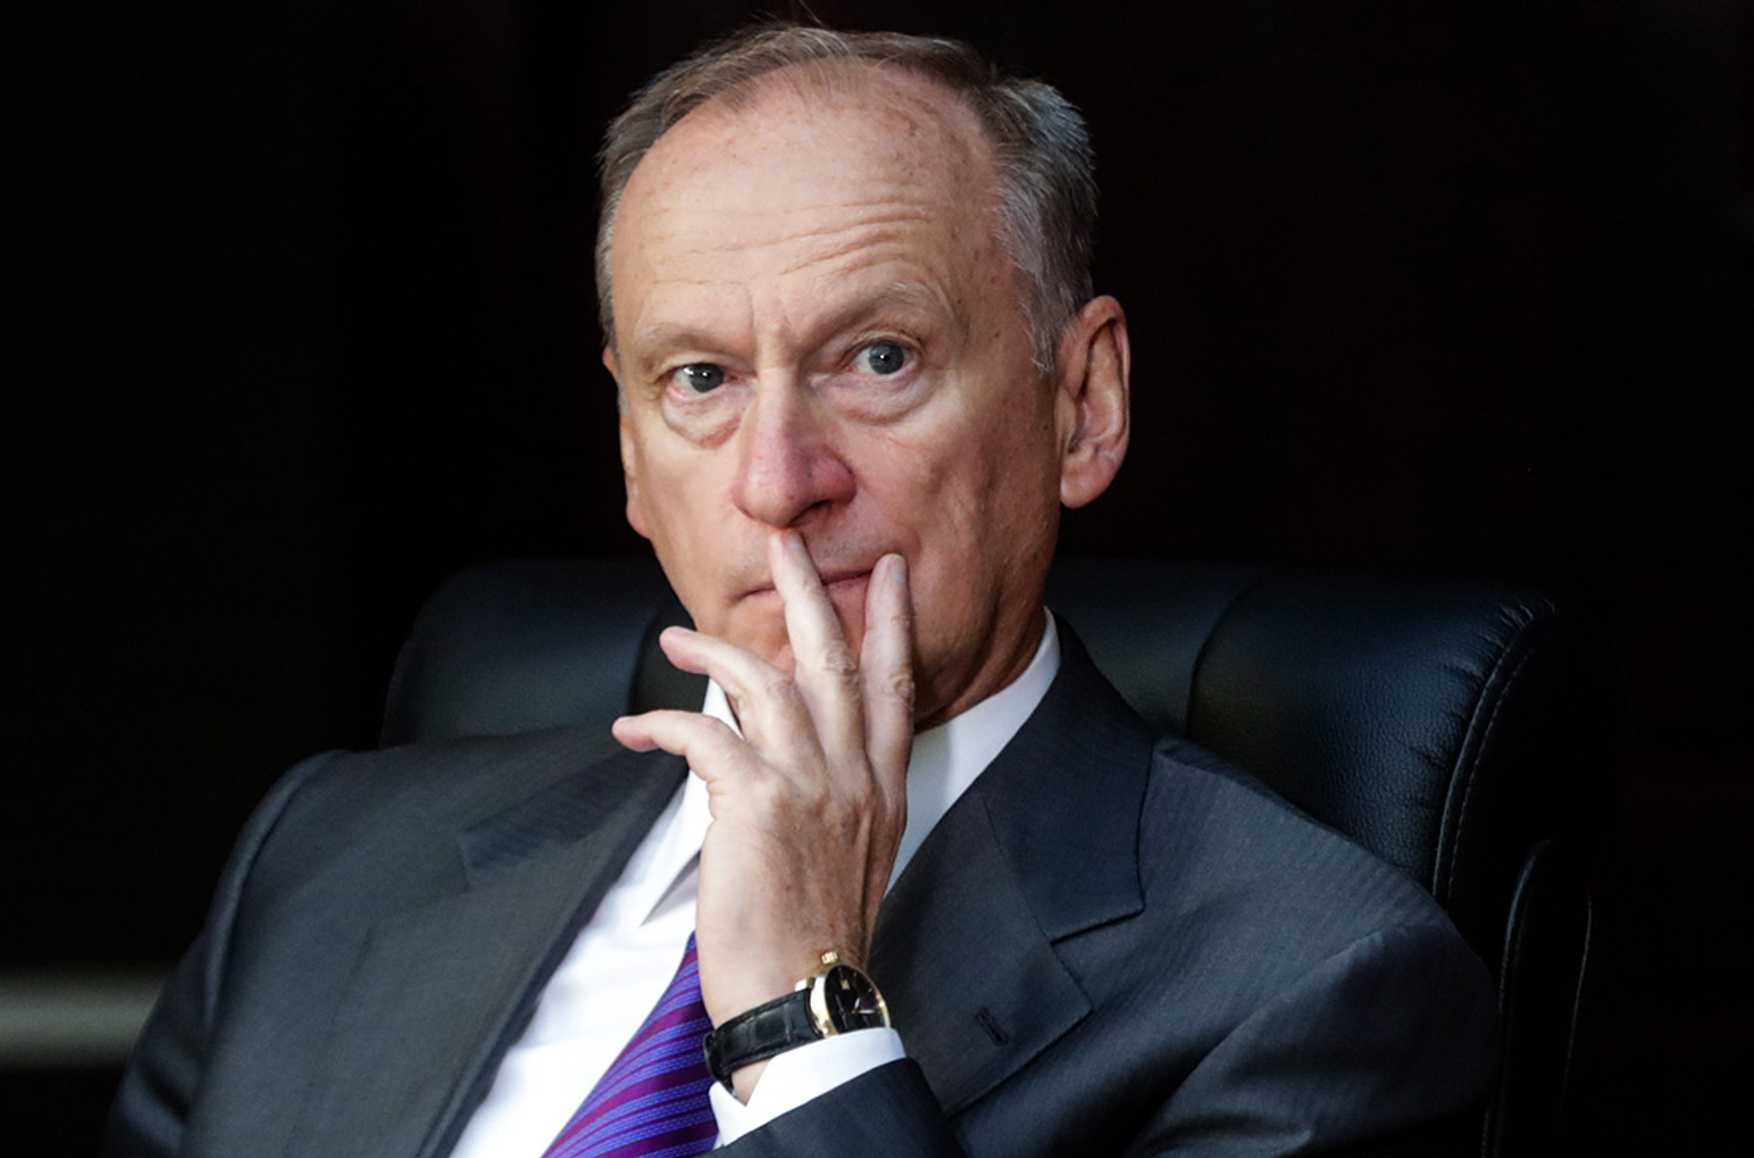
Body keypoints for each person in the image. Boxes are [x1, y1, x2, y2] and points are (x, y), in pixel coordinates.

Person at [106, 23, 1497, 1158]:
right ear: (631, 454)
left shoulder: (1309, 985)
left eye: (877, 358)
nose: (779, 481)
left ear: (1081, 404)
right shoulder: (327, 858)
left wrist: (797, 1013)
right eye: (700, 379)